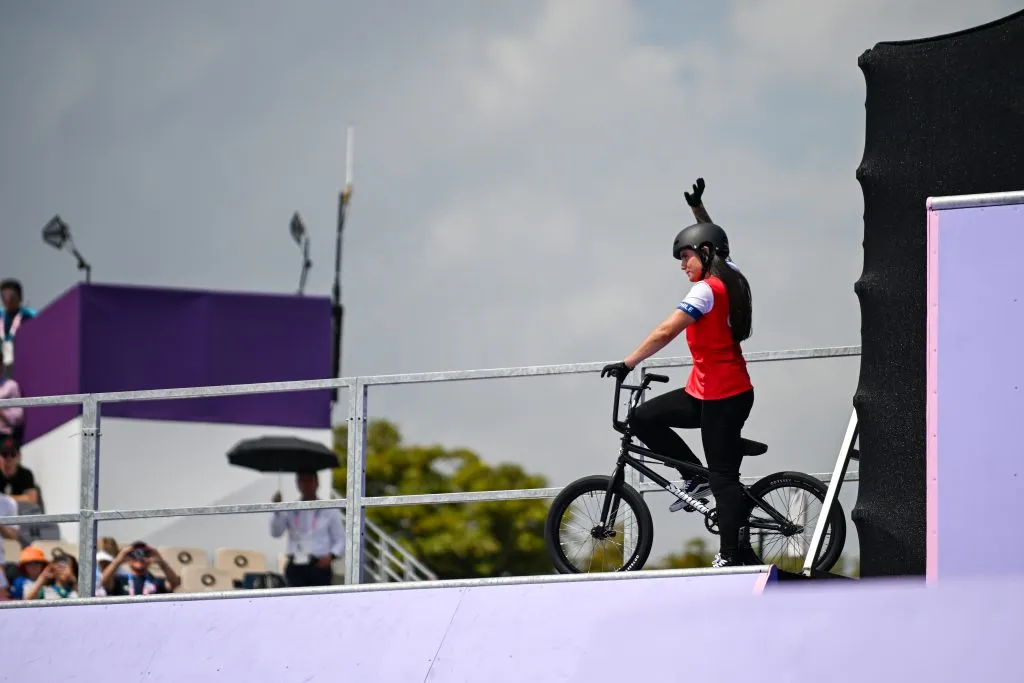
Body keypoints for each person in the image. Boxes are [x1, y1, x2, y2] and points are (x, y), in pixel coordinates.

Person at [600, 177, 755, 569]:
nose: (683, 265)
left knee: (724, 478)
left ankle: (732, 554)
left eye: (685, 257)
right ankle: (694, 477)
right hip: (705, 391)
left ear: (704, 254)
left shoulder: (705, 291)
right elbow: (718, 241)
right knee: (642, 418)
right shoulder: (731, 274)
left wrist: (628, 362)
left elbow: (667, 330)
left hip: (724, 396)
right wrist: (698, 210)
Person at [270, 470, 344, 587]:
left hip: (319, 565)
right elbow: (276, 533)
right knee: (295, 602)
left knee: (320, 602)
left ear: (317, 483)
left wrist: (331, 556)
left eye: (309, 480)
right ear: (297, 484)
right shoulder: (291, 509)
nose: (306, 485)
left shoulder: (329, 509)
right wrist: (276, 509)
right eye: (302, 481)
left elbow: (340, 538)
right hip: (296, 564)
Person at [0, 279, 36, 375]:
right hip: (2, 362)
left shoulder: (28, 315)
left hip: (22, 362)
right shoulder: (1, 315)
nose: (8, 300)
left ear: (20, 297)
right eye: (4, 296)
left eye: (11, 295)